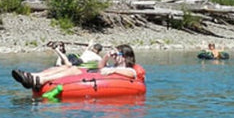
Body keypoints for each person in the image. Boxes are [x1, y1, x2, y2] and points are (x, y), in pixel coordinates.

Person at [12, 43, 141, 91]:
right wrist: (106, 56)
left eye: (116, 53)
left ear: (123, 56)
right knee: (65, 67)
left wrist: (113, 69)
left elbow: (132, 74)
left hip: (101, 80)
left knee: (73, 69)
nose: (113, 56)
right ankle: (34, 76)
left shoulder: (128, 70)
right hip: (95, 74)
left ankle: (40, 80)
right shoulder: (111, 64)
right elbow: (101, 67)